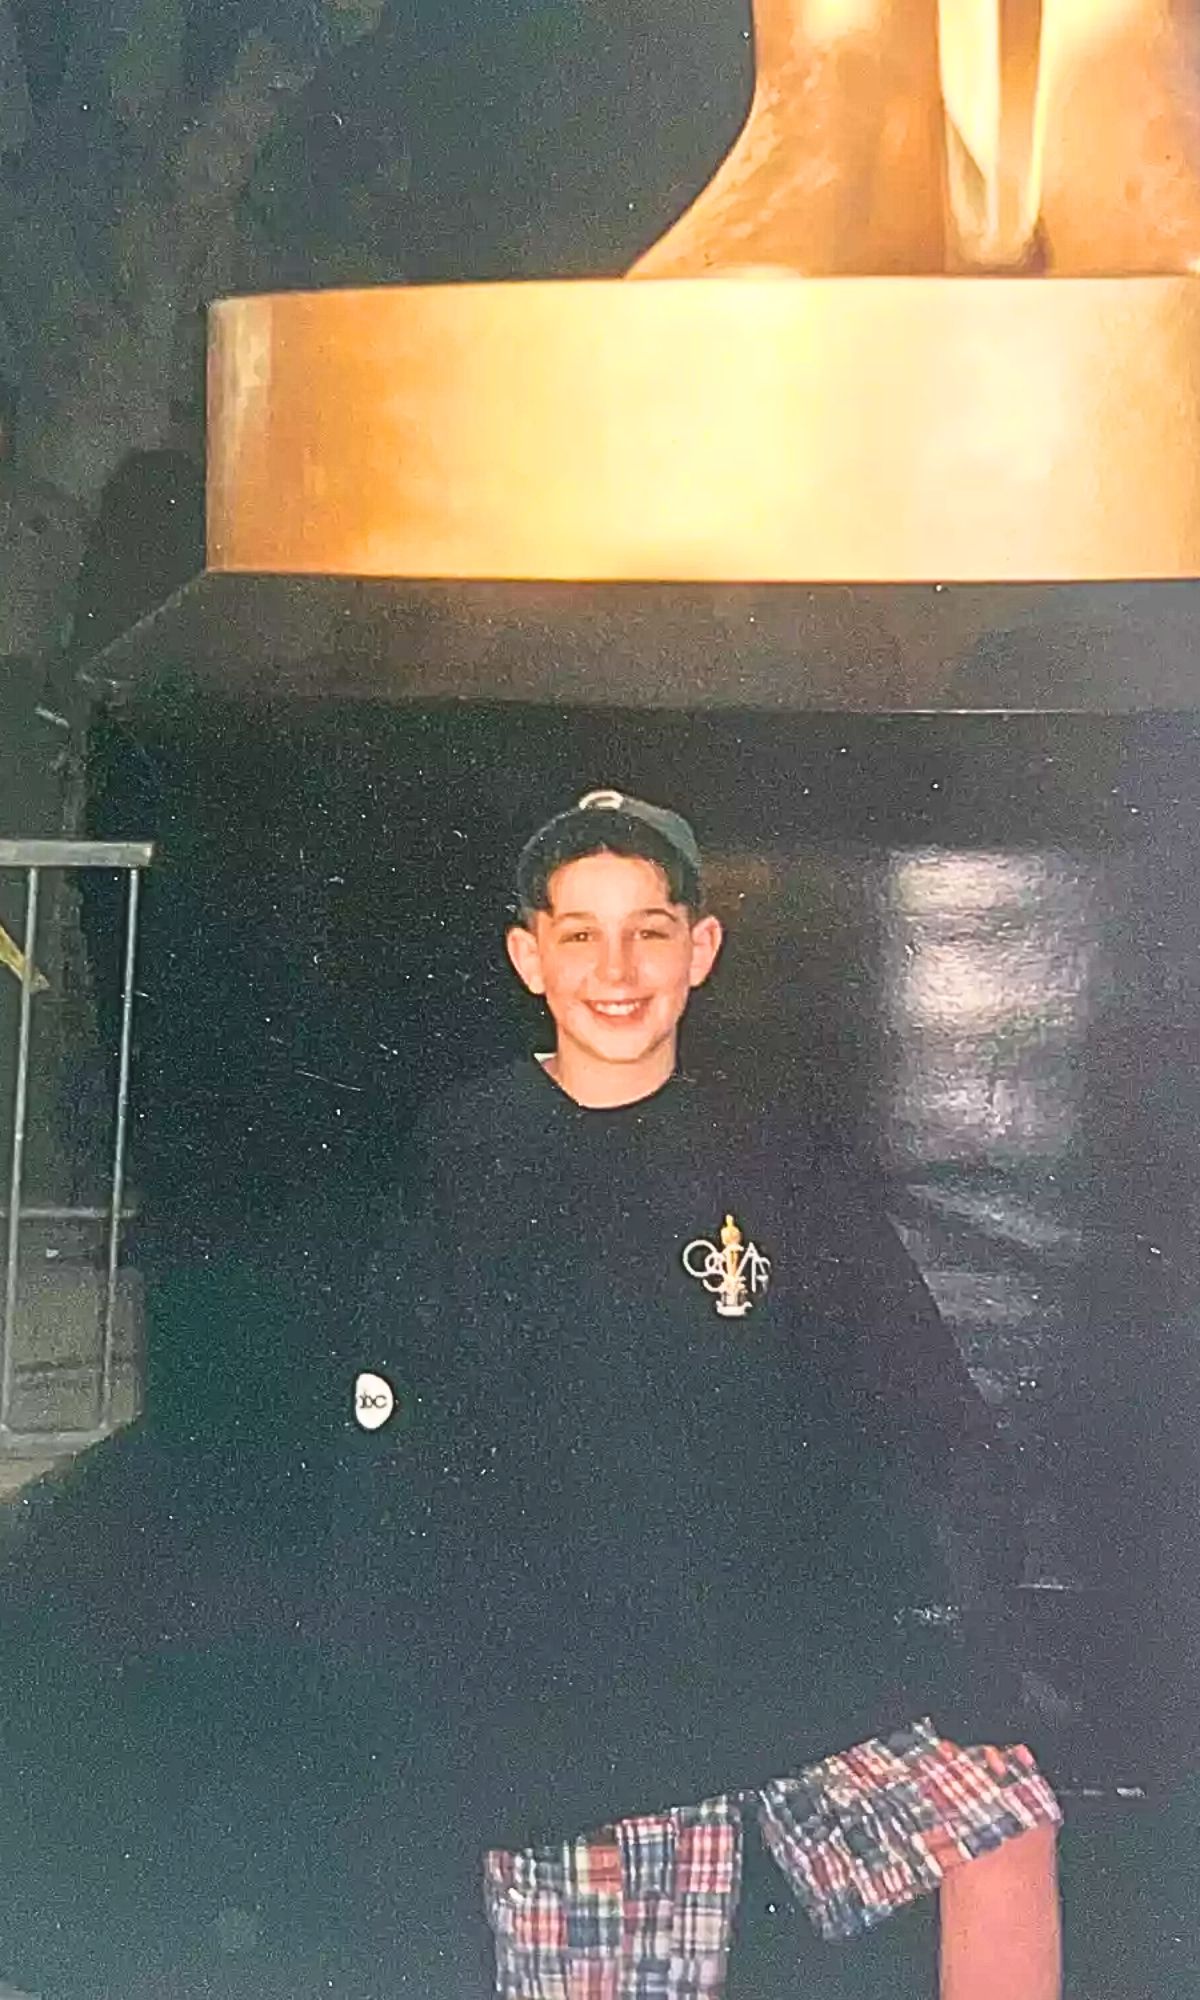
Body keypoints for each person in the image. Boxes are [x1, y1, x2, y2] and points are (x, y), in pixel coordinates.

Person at [358, 789, 1062, 1997]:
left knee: (1001, 1825)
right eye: (580, 933)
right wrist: (436, 1720)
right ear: (530, 956)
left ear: (701, 948)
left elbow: (919, 1399)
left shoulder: (770, 1146)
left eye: (649, 928)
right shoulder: (465, 1155)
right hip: (580, 1717)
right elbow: (399, 1475)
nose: (617, 968)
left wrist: (979, 1631)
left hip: (782, 1669)